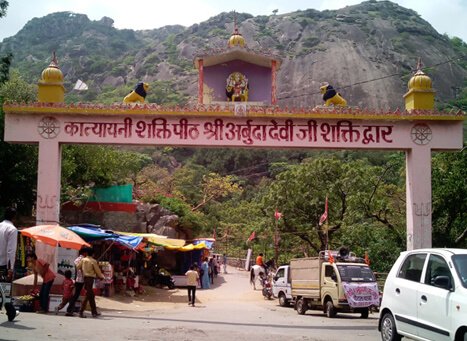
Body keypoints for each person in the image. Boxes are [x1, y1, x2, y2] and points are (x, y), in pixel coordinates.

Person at [77, 247, 104, 318]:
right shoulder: (93, 261)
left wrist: (83, 270)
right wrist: (101, 277)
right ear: (93, 254)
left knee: (91, 295)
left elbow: (77, 267)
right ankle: (81, 312)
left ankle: (94, 312)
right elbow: (97, 270)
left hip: (85, 278)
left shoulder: (83, 260)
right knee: (88, 295)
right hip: (90, 279)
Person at [65, 248, 87, 316]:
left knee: (76, 295)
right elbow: (82, 270)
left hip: (78, 279)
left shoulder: (77, 259)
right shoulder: (84, 260)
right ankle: (70, 309)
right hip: (82, 279)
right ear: (84, 253)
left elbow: (76, 270)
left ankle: (70, 309)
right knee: (76, 295)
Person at [0, 207, 18, 281]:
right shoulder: (12, 229)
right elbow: (11, 250)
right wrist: (10, 269)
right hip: (3, 266)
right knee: (4, 291)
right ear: (14, 217)